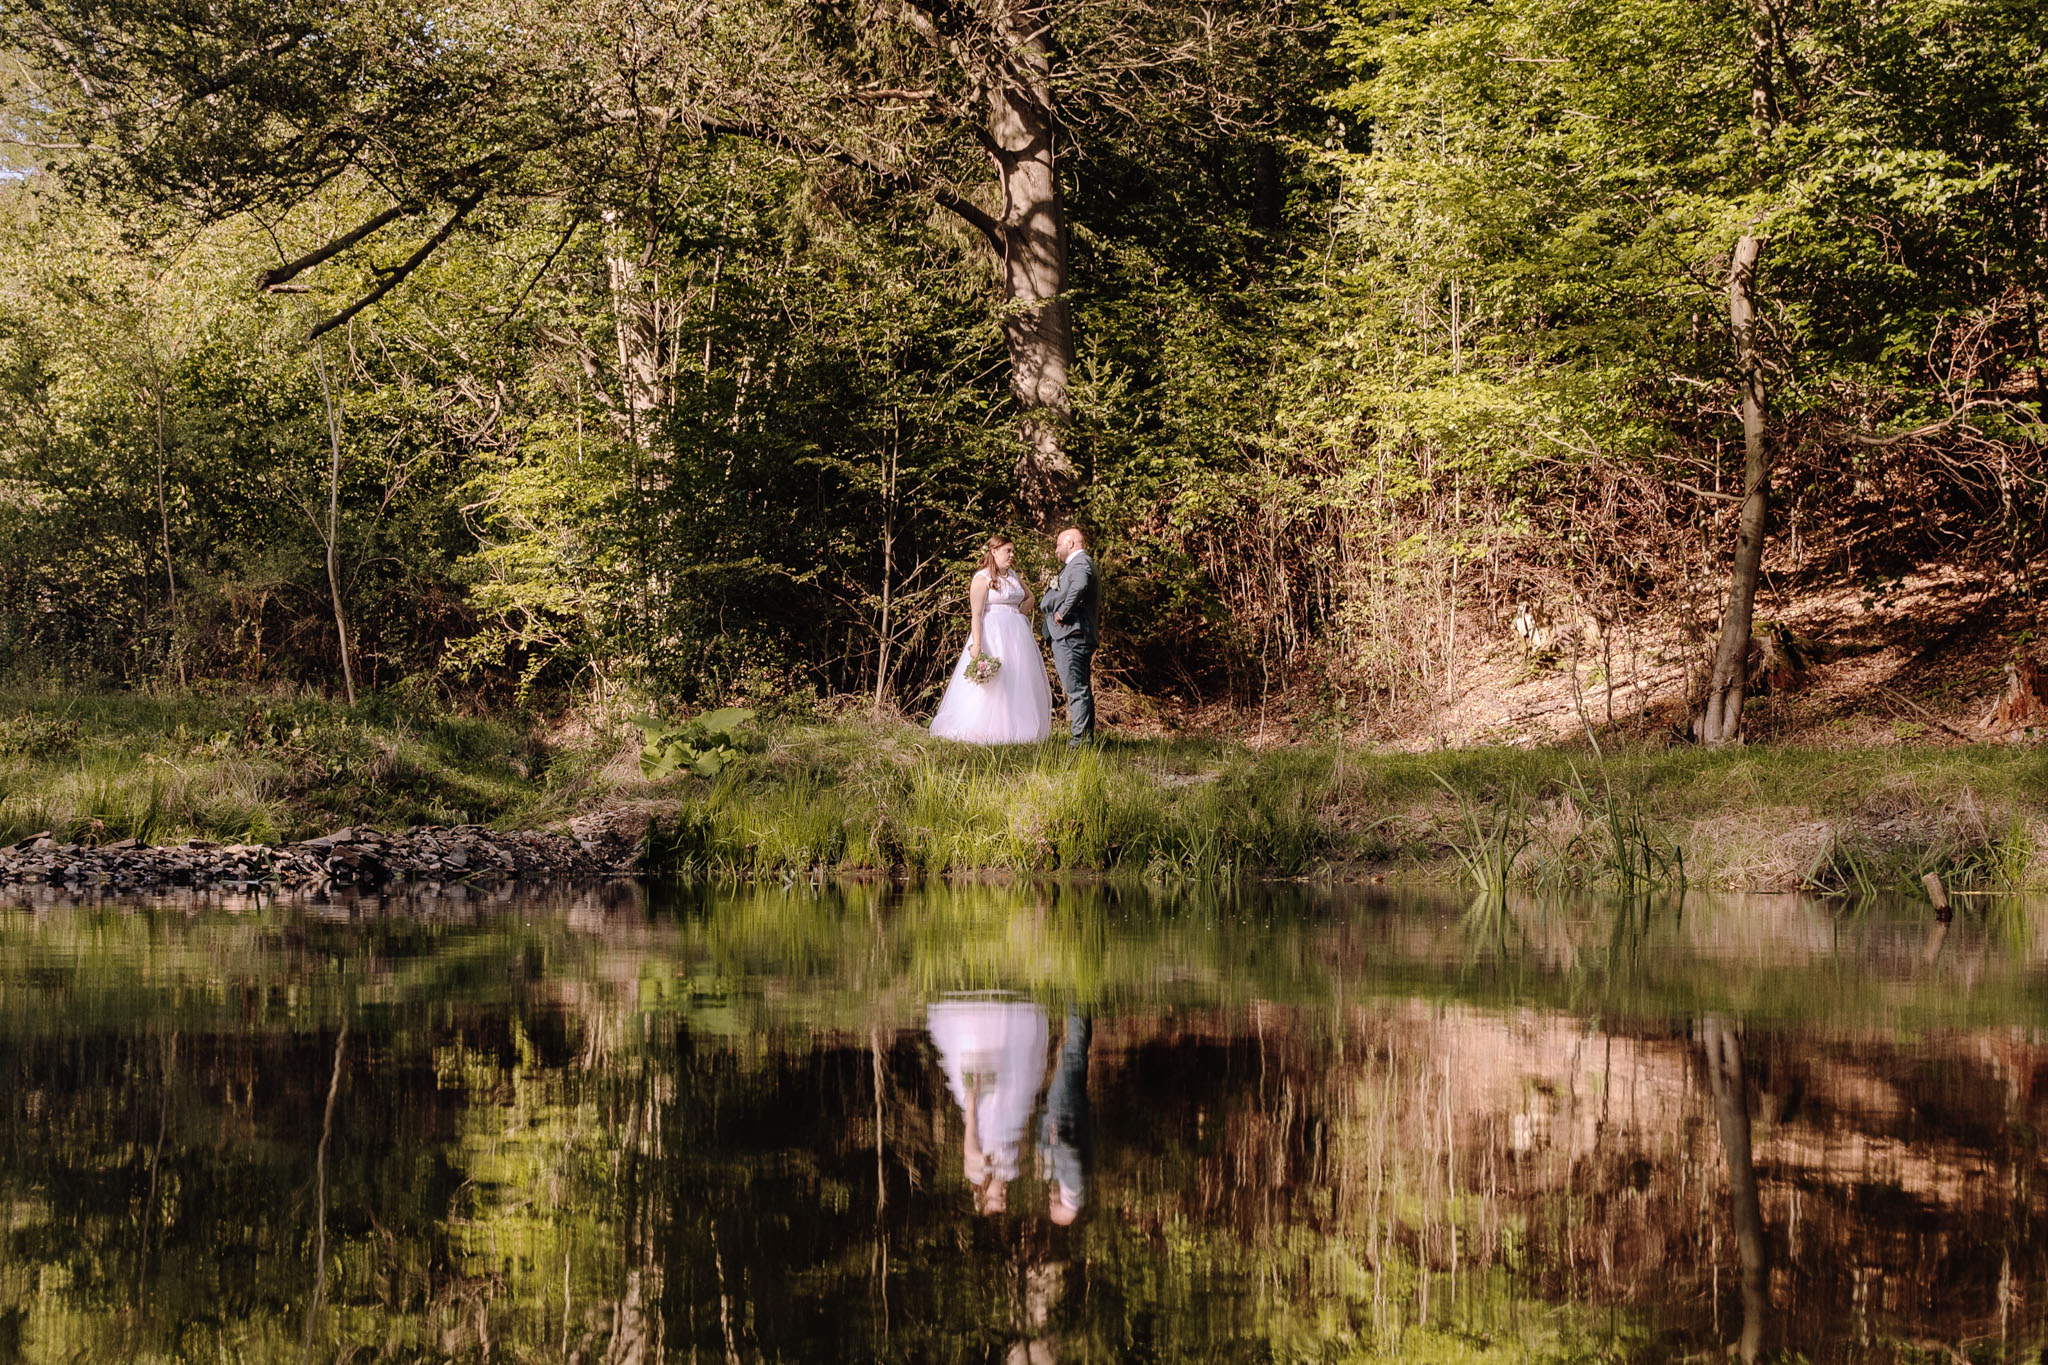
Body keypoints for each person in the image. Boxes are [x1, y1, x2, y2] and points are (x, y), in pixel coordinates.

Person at [927, 994, 1051, 1215]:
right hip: (1011, 1108)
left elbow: (971, 1131)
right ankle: (1004, 1010)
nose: (1004, 1193)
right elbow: (1022, 1139)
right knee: (1011, 1059)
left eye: (998, 1197)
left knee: (984, 1052)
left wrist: (972, 1098)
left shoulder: (975, 1170)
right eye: (1005, 1198)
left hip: (985, 1107)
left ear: (984, 1195)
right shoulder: (1009, 1171)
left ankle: (981, 1008)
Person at [930, 535, 1055, 745]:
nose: (1012, 555)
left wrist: (1019, 614)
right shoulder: (982, 578)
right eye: (1008, 551)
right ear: (994, 552)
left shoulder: (1013, 576)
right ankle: (986, 727)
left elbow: (1030, 597)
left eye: (1013, 551)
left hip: (1017, 636)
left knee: (1018, 678)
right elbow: (976, 614)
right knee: (994, 681)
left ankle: (1017, 728)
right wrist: (977, 644)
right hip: (993, 633)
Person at [1039, 528, 1099, 747]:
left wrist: (1062, 611)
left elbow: (1080, 585)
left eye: (1058, 545)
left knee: (1077, 690)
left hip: (1072, 635)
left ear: (1070, 543)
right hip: (1071, 635)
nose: (1056, 550)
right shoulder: (1076, 564)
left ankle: (1079, 741)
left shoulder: (1080, 563)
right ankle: (1084, 739)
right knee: (1079, 688)